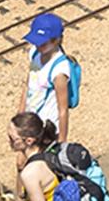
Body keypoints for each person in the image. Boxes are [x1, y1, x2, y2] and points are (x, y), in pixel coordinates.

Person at [22, 12, 81, 147]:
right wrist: (19, 117)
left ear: (56, 40)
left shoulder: (59, 70)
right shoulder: (35, 54)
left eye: (42, 42)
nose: (38, 45)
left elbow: (63, 109)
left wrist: (62, 142)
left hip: (47, 130)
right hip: (30, 124)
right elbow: (28, 84)